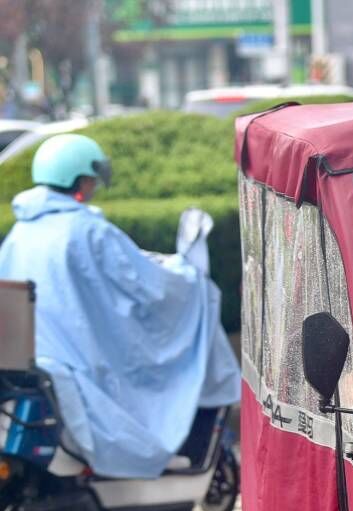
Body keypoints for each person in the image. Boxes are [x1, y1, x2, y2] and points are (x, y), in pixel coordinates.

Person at [0, 134, 240, 479]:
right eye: (91, 178)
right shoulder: (88, 231)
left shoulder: (21, 232)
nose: (95, 185)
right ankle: (157, 454)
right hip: (78, 358)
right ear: (80, 180)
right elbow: (148, 286)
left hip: (36, 358)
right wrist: (187, 275)